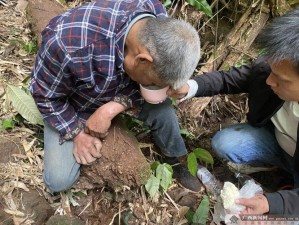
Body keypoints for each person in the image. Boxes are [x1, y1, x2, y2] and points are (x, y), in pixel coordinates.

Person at [30, 0, 201, 192]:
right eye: (153, 83)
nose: (153, 88)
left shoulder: (157, 18)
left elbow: (149, 81)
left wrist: (112, 108)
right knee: (58, 181)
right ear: (142, 60)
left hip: (119, 87)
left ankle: (176, 159)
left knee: (163, 111)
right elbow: (44, 96)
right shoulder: (68, 45)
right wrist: (77, 133)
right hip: (74, 101)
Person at [169, 7, 299, 215]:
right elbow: (230, 79)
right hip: (281, 146)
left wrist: (271, 203)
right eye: (272, 71)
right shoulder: (275, 67)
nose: (269, 81)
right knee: (226, 143)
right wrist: (189, 87)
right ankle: (279, 171)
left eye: (281, 80)